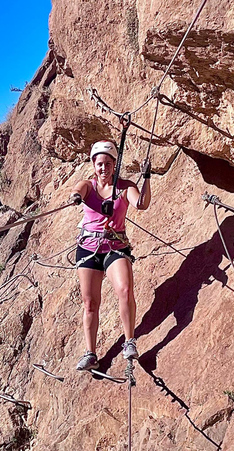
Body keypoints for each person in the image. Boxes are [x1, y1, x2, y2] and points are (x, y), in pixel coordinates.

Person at [69, 140, 152, 371]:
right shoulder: (88, 185)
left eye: (107, 163)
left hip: (115, 246)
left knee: (124, 290)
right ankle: (90, 353)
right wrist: (76, 197)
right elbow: (78, 190)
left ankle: (129, 341)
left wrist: (146, 178)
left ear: (114, 164)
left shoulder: (125, 187)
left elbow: (141, 203)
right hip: (89, 248)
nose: (103, 168)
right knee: (89, 303)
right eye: (99, 164)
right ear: (93, 165)